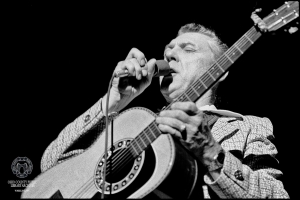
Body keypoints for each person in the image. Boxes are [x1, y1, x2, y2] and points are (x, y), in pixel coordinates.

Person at [39, 18, 289, 198]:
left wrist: (211, 152)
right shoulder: (131, 124)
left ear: (221, 71)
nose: (169, 56)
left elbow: (276, 196)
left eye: (188, 49)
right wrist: (113, 101)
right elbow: (50, 165)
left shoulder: (249, 126)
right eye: (168, 50)